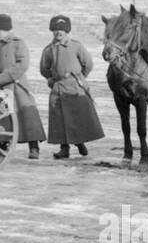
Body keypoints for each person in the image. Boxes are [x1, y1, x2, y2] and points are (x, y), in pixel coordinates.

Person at [40, 15, 104, 158]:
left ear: (67, 31)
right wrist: (51, 79)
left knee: (77, 117)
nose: (59, 33)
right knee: (60, 119)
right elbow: (44, 69)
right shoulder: (49, 49)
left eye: (62, 30)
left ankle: (80, 143)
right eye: (56, 30)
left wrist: (79, 78)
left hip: (74, 87)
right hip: (58, 87)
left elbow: (88, 64)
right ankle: (64, 148)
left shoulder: (76, 46)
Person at [0, 14, 45, 159]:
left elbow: (22, 65)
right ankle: (2, 145)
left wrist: (0, 78)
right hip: (3, 89)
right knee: (3, 117)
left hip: (18, 86)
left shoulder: (18, 43)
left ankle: (34, 147)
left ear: (7, 29)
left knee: (27, 116)